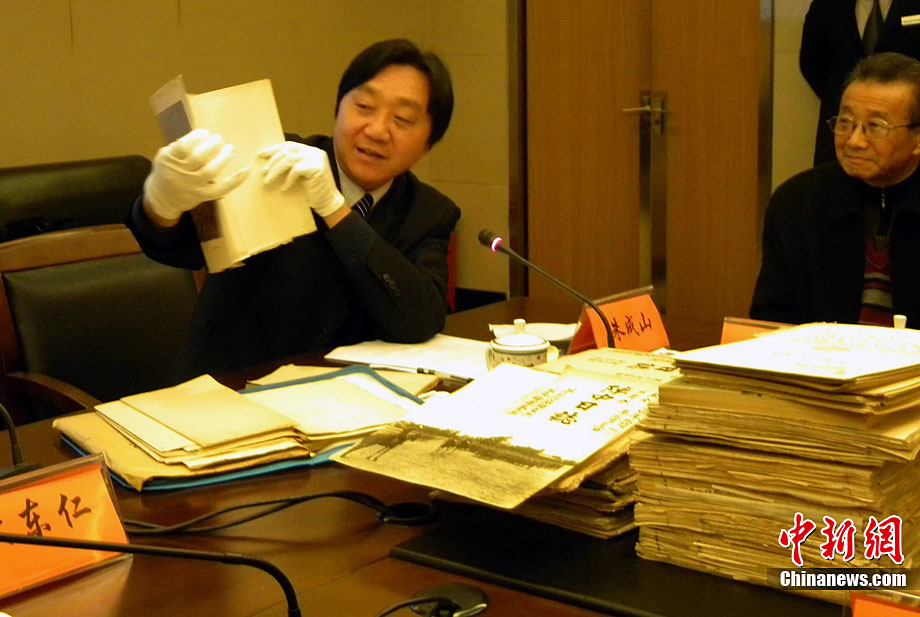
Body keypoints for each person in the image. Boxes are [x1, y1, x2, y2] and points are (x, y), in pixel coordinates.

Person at [128, 39, 460, 375]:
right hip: (233, 386)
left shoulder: (429, 213)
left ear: (429, 142)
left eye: (402, 119)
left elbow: (419, 320)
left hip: (349, 395)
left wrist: (336, 210)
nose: (376, 130)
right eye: (364, 106)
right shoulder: (272, 159)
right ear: (339, 108)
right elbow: (181, 247)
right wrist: (161, 205)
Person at [751, 52, 920, 328]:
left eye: (875, 127)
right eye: (845, 122)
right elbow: (771, 319)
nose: (854, 141)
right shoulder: (798, 202)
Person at [800, 0, 920, 165]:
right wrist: (852, 102)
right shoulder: (826, 4)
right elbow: (813, 64)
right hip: (842, 128)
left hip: (909, 128)